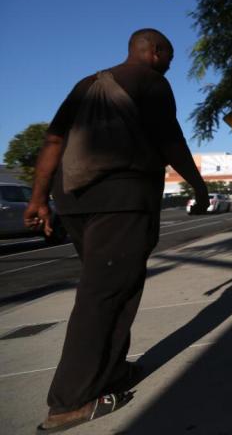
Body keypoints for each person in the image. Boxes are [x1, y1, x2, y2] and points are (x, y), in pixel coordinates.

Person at [24, 28, 209, 432]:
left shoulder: (87, 84)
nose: (171, 65)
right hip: (122, 200)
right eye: (170, 56)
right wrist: (199, 185)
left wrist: (38, 199)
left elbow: (54, 141)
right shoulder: (151, 82)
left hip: (74, 201)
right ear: (154, 52)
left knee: (113, 290)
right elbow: (170, 140)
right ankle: (70, 402)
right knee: (104, 296)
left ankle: (110, 373)